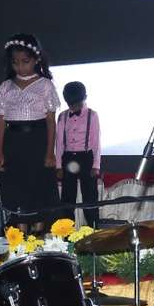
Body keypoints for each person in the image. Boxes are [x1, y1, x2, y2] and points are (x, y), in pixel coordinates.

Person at [0, 34, 59, 231]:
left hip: (37, 140)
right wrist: (0, 153)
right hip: (13, 141)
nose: (20, 67)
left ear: (36, 59)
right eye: (15, 62)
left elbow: (51, 121)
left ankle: (38, 231)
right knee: (15, 186)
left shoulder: (45, 85)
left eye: (25, 61)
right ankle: (19, 232)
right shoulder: (6, 86)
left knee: (37, 186)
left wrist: (50, 152)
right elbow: (1, 121)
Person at [55, 81, 102, 228]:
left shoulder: (92, 115)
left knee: (90, 198)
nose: (73, 107)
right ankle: (66, 234)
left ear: (84, 97)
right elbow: (59, 142)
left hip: (86, 158)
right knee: (67, 198)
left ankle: (93, 231)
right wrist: (58, 166)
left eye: (76, 104)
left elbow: (96, 142)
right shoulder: (62, 116)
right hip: (68, 158)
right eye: (70, 104)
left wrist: (96, 165)